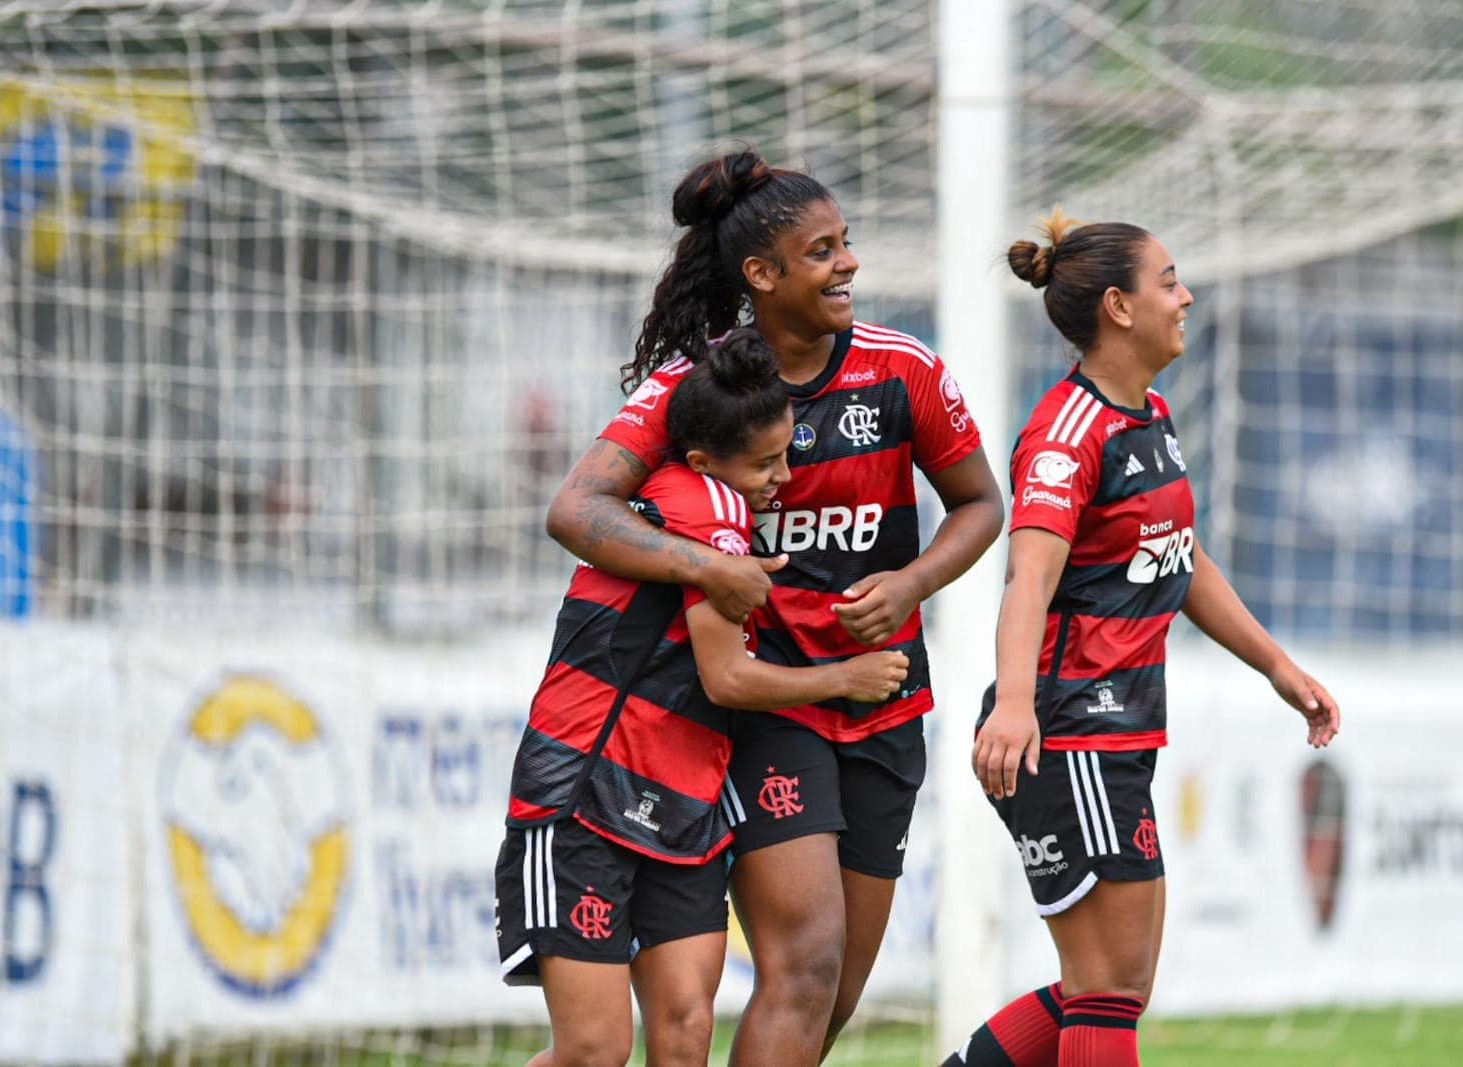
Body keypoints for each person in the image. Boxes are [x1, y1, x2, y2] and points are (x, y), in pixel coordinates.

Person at [545, 149, 1004, 1066]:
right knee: (804, 964)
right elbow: (576, 509)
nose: (849, 264)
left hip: (884, 699)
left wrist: (911, 584)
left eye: (846, 243)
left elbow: (982, 504)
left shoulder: (904, 370)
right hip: (765, 704)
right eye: (822, 250)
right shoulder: (701, 387)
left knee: (829, 994)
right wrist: (708, 570)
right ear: (761, 273)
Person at [948, 210, 1341, 1067]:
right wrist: (1014, 704)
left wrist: (1276, 665)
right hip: (1068, 730)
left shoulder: (1149, 414)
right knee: (1109, 987)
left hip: (1116, 732)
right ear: (1119, 307)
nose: (1186, 295)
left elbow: (1179, 555)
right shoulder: (1065, 436)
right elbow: (1027, 581)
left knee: (1111, 983)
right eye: (1169, 281)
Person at [496, 329, 911, 1067]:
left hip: (683, 804)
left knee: (686, 1033)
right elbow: (728, 679)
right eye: (766, 463)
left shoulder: (717, 505)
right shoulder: (708, 510)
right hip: (587, 790)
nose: (785, 476)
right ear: (703, 460)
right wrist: (846, 678)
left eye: (786, 454)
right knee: (593, 1050)